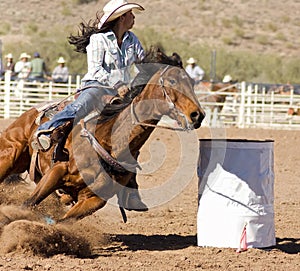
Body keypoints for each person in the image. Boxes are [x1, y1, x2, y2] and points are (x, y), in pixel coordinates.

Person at [33, 0, 147, 211]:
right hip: (98, 86)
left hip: (122, 94)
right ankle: (47, 130)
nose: (133, 17)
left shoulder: (133, 40)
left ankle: (129, 187)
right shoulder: (98, 40)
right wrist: (119, 84)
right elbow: (96, 69)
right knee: (82, 105)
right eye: (130, 14)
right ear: (122, 17)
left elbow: (142, 65)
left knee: (133, 133)